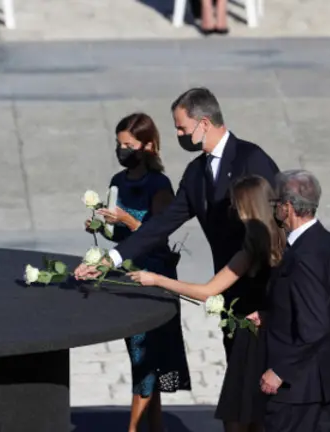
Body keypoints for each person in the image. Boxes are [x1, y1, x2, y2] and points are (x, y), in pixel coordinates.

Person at [75, 87, 279, 361]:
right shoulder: (196, 173)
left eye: (182, 129)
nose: (178, 135)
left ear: (204, 123)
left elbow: (279, 224)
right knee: (239, 373)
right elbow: (161, 224)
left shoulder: (251, 159)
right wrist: (110, 259)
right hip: (228, 291)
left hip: (265, 290)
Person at [128, 175, 286, 432]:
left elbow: (206, 292)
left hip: (252, 342)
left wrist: (157, 279)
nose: (233, 211)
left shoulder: (249, 251)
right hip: (276, 340)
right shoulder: (285, 243)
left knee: (237, 418)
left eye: (236, 205)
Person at [90, 113, 191, 432]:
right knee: (142, 358)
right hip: (126, 277)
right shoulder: (117, 182)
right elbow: (117, 237)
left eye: (128, 145)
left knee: (147, 355)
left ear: (147, 146)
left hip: (153, 277)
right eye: (119, 145)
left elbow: (157, 234)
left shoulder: (159, 185)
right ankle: (155, 426)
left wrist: (127, 221)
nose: (122, 151)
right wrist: (101, 225)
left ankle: (134, 429)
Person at [261, 169, 330, 432]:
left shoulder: (304, 256)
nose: (274, 210)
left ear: (287, 207)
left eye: (275, 204)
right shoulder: (325, 241)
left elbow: (315, 324)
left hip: (297, 389)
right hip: (318, 382)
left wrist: (279, 371)